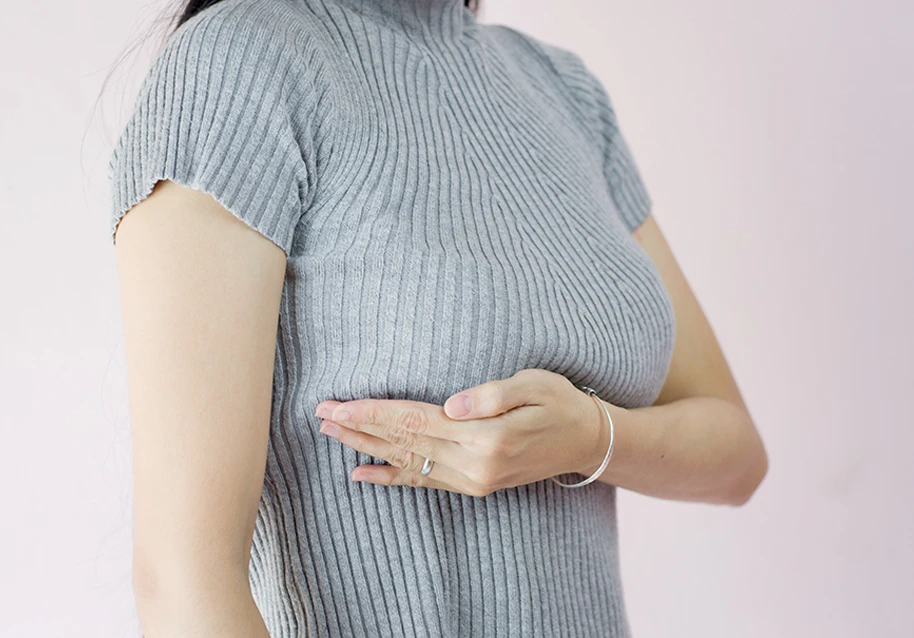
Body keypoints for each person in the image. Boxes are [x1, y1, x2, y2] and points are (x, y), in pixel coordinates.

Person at [108, 0, 769, 636]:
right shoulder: (237, 62)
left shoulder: (563, 89)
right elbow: (183, 586)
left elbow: (736, 455)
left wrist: (589, 439)